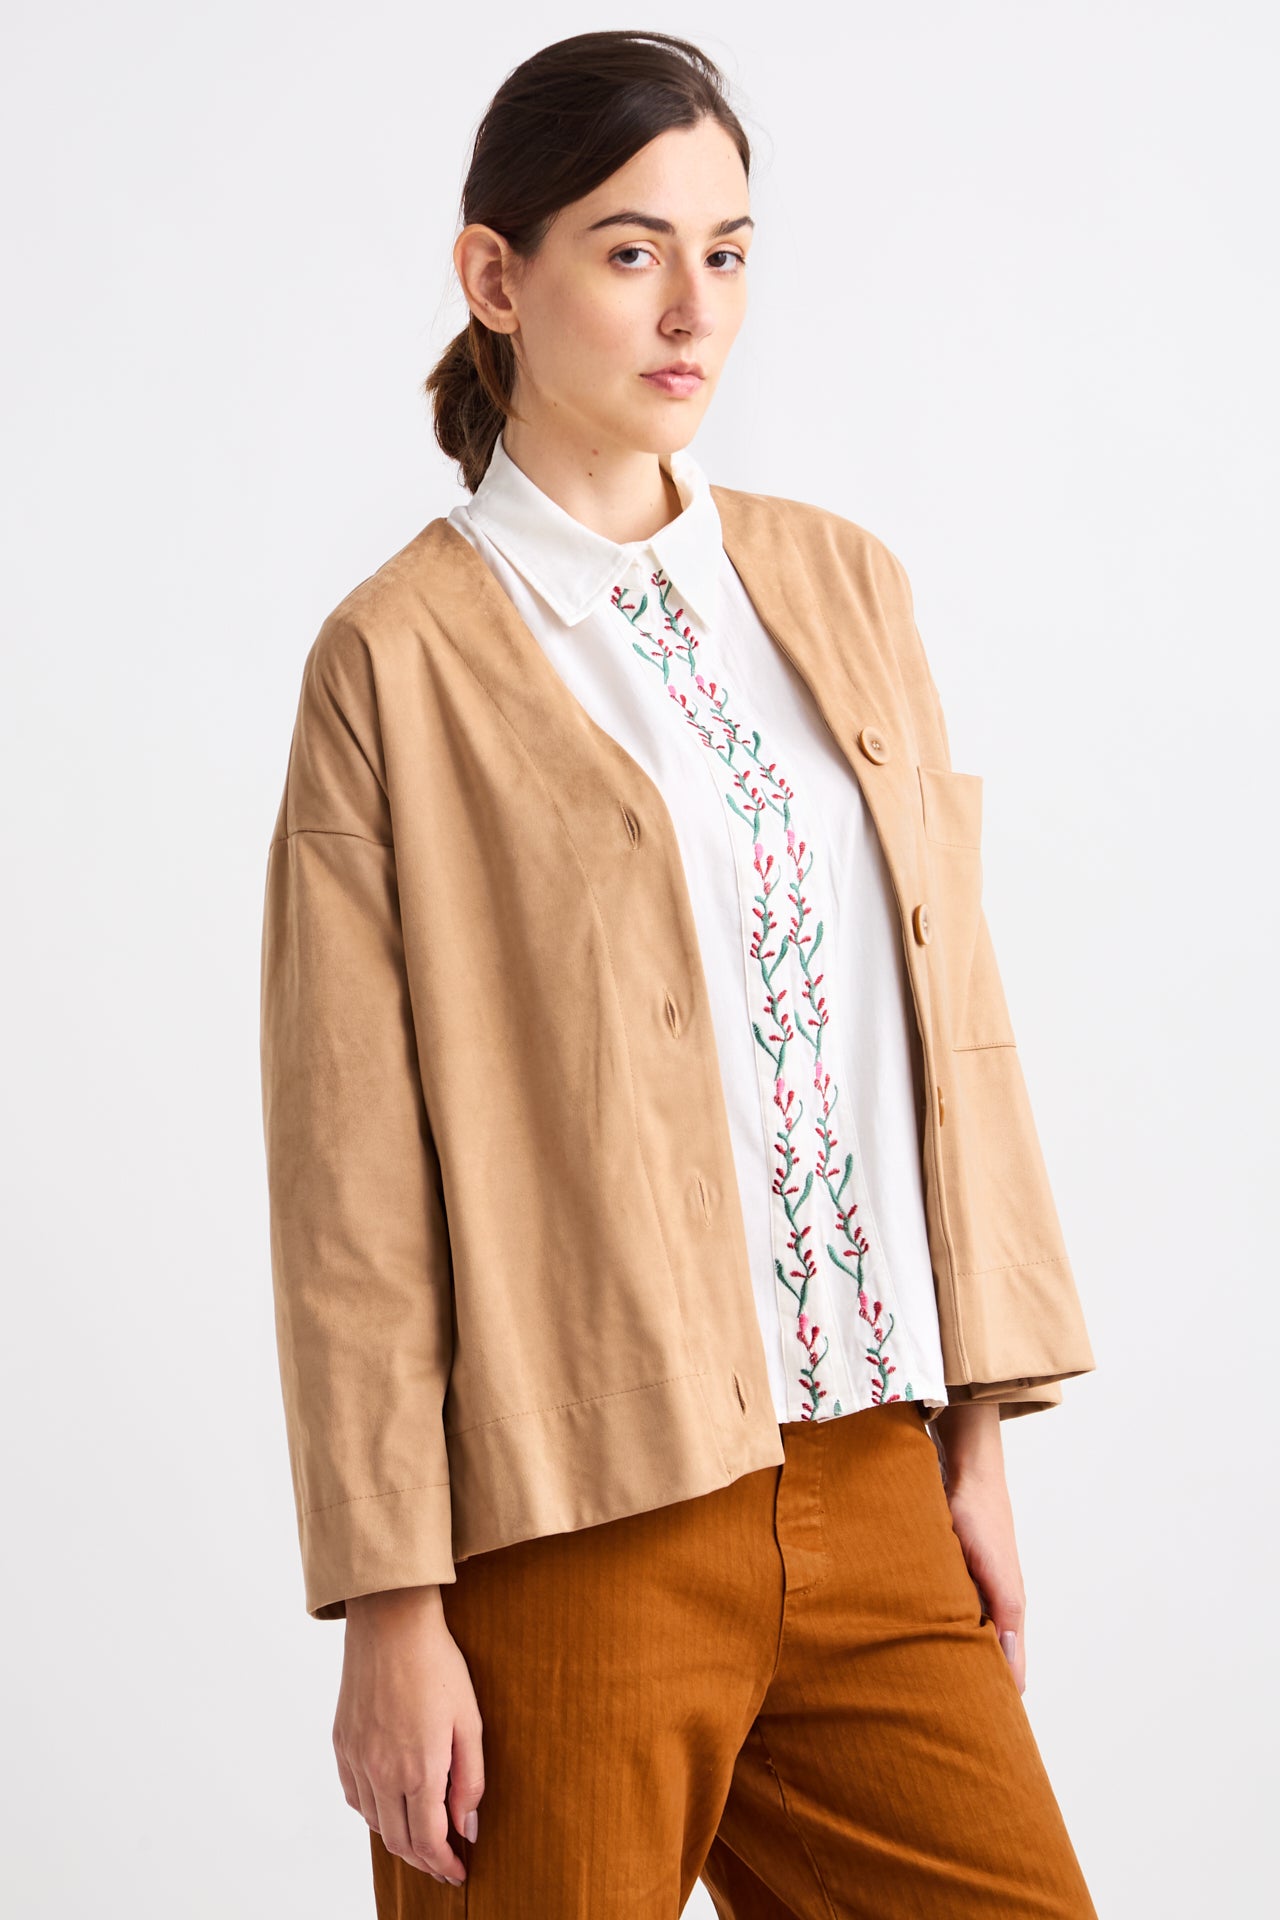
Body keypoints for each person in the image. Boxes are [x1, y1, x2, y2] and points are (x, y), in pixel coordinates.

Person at [258, 28, 1099, 1918]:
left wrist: (971, 1436)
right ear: (498, 277)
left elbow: (949, 1021)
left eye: (728, 251)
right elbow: (350, 1187)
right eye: (631, 250)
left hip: (878, 1488)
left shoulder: (845, 586)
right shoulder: (392, 661)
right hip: (576, 1527)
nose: (692, 307)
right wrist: (391, 1602)